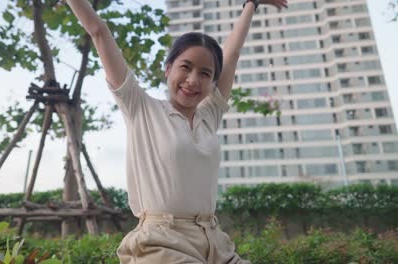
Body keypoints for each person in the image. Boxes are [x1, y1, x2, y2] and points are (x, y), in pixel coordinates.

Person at [66, 0, 288, 263]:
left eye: (205, 73)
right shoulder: (139, 107)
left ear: (213, 81)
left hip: (214, 241)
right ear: (168, 68)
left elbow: (232, 54)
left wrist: (250, 4)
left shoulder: (209, 115)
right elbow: (98, 31)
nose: (193, 80)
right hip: (162, 242)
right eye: (185, 67)